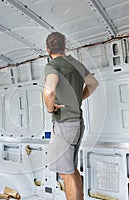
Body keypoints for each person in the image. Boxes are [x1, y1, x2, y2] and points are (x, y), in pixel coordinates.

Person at [43, 32, 99, 200]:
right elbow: (93, 83)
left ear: (47, 49)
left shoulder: (53, 65)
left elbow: (50, 90)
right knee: (72, 169)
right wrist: (79, 97)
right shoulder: (76, 64)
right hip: (77, 123)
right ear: (64, 46)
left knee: (65, 174)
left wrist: (50, 108)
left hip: (64, 124)